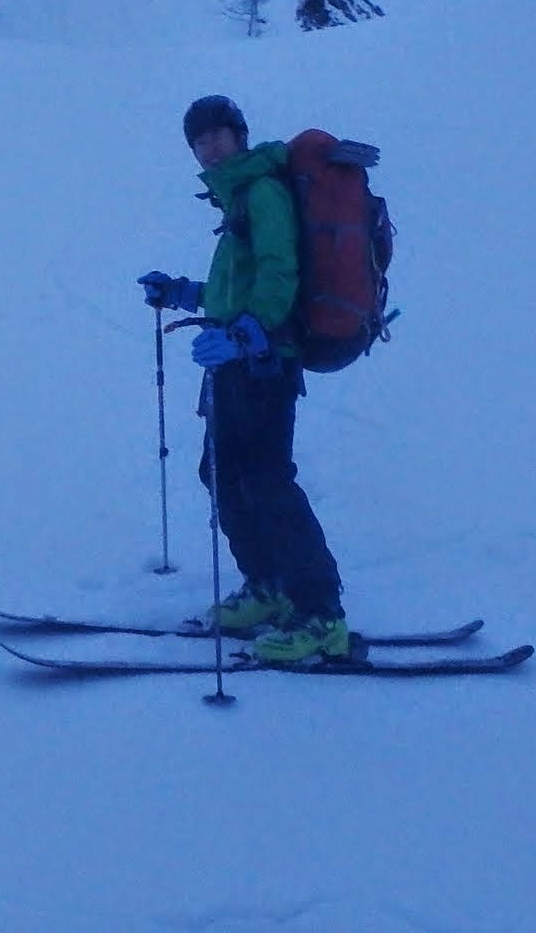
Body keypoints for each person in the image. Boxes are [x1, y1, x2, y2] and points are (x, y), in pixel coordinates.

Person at [137, 95, 349, 665]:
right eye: (198, 141)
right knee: (222, 472)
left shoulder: (262, 193)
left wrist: (246, 335)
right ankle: (269, 586)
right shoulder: (237, 201)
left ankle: (322, 614)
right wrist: (182, 293)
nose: (208, 148)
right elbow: (235, 289)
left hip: (264, 363)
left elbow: (281, 274)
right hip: (234, 362)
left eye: (217, 135)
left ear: (239, 136)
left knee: (266, 480)